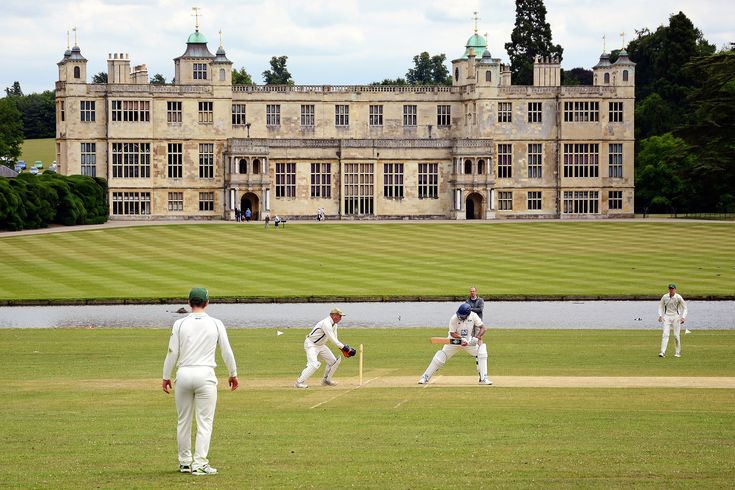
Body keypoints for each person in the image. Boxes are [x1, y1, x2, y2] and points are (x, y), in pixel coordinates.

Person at [162, 287, 239, 476]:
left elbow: (172, 352)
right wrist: (233, 373)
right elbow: (226, 351)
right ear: (207, 303)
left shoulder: (179, 324)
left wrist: (165, 376)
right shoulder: (216, 323)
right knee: (205, 422)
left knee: (183, 421)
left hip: (184, 374)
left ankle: (185, 463)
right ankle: (200, 463)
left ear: (189, 303)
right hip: (205, 375)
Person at [418, 303, 491, 385]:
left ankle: (483, 378)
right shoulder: (454, 318)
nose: (460, 317)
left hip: (468, 342)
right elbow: (452, 333)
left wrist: (477, 337)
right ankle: (425, 377)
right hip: (453, 341)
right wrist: (461, 338)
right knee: (440, 357)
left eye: (462, 315)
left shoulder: (473, 316)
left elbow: (483, 328)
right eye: (459, 314)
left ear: (468, 314)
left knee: (482, 352)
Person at [295, 307, 356, 388]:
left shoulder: (335, 325)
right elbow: (332, 339)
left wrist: (343, 350)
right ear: (333, 315)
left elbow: (335, 339)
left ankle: (326, 381)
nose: (340, 318)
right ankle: (299, 382)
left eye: (341, 316)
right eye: (339, 316)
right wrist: (346, 349)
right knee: (313, 364)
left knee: (333, 362)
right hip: (311, 345)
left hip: (321, 345)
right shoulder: (326, 323)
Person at [658, 283, 688, 358]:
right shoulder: (665, 297)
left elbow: (685, 308)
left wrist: (683, 317)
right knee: (665, 334)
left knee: (676, 335)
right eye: (670, 289)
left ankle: (677, 353)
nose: (671, 290)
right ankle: (662, 352)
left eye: (672, 289)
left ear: (675, 289)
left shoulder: (678, 297)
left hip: (676, 317)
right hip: (667, 317)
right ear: (668, 289)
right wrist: (660, 316)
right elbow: (660, 306)